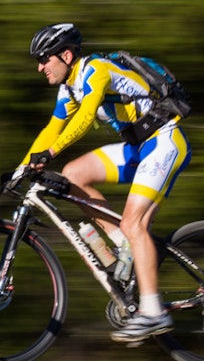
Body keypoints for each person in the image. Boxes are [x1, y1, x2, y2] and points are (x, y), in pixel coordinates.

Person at [17, 22, 192, 344]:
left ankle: (154, 312)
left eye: (44, 59)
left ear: (65, 55)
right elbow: (51, 129)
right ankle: (124, 244)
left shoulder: (96, 70)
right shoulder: (69, 87)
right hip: (138, 148)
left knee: (134, 223)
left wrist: (49, 153)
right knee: (73, 174)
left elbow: (84, 119)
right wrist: (22, 167)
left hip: (163, 143)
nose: (40, 67)